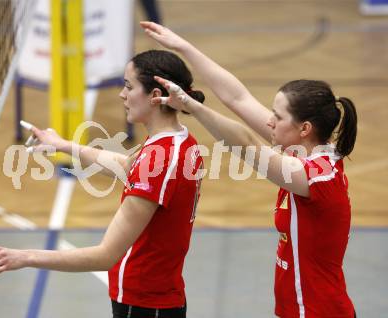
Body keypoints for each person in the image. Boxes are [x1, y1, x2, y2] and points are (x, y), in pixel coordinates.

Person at [141, 21, 357, 318]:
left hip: (318, 312)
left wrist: (193, 106)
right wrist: (183, 46)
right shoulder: (308, 151)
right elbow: (237, 98)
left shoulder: (316, 177)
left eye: (278, 117)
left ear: (304, 128)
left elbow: (244, 142)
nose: (269, 122)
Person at [0, 49, 205, 318]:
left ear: (155, 96)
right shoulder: (181, 142)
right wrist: (63, 145)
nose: (122, 94)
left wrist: (24, 257)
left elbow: (106, 255)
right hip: (156, 299)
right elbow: (126, 166)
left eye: (129, 86)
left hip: (144, 306)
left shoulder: (160, 159)